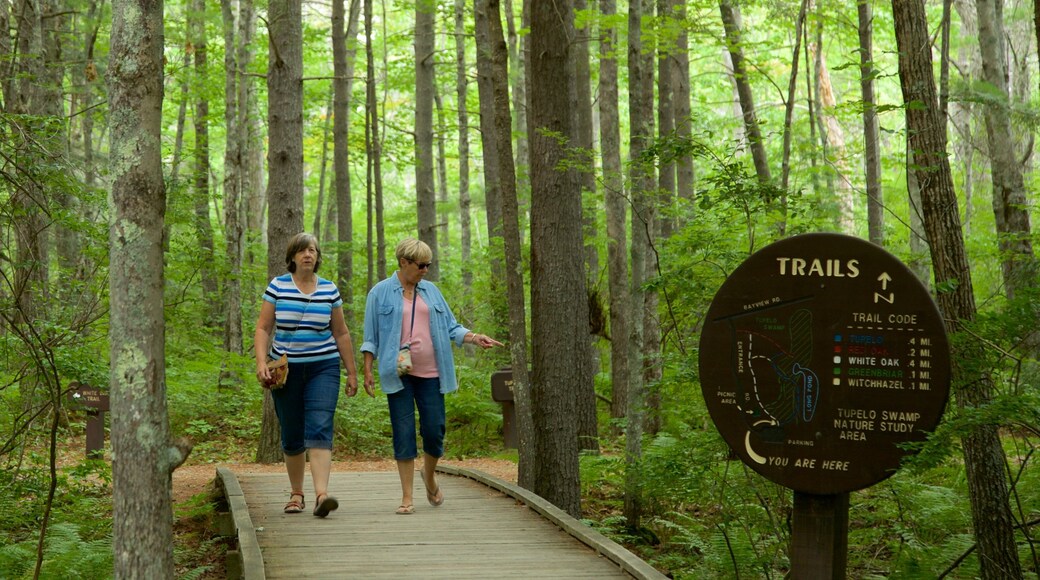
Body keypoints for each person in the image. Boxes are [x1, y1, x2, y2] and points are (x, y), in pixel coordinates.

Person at [361, 238, 503, 515]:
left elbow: (452, 327)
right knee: (403, 434)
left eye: (429, 265)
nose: (426, 270)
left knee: (435, 432)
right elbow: (371, 338)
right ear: (404, 263)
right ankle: (406, 497)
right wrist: (367, 370)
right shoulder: (379, 293)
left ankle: (429, 474)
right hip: (398, 374)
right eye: (421, 265)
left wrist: (474, 337)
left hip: (433, 374)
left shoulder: (432, 292)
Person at [254, 232, 371, 518]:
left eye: (313, 250)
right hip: (286, 369)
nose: (308, 254)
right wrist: (261, 362)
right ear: (293, 256)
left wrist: (352, 373)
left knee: (320, 426)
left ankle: (322, 495)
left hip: (324, 367)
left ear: (318, 257)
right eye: (303, 250)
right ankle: (297, 494)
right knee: (292, 433)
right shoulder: (278, 286)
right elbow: (263, 328)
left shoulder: (329, 289)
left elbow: (341, 332)